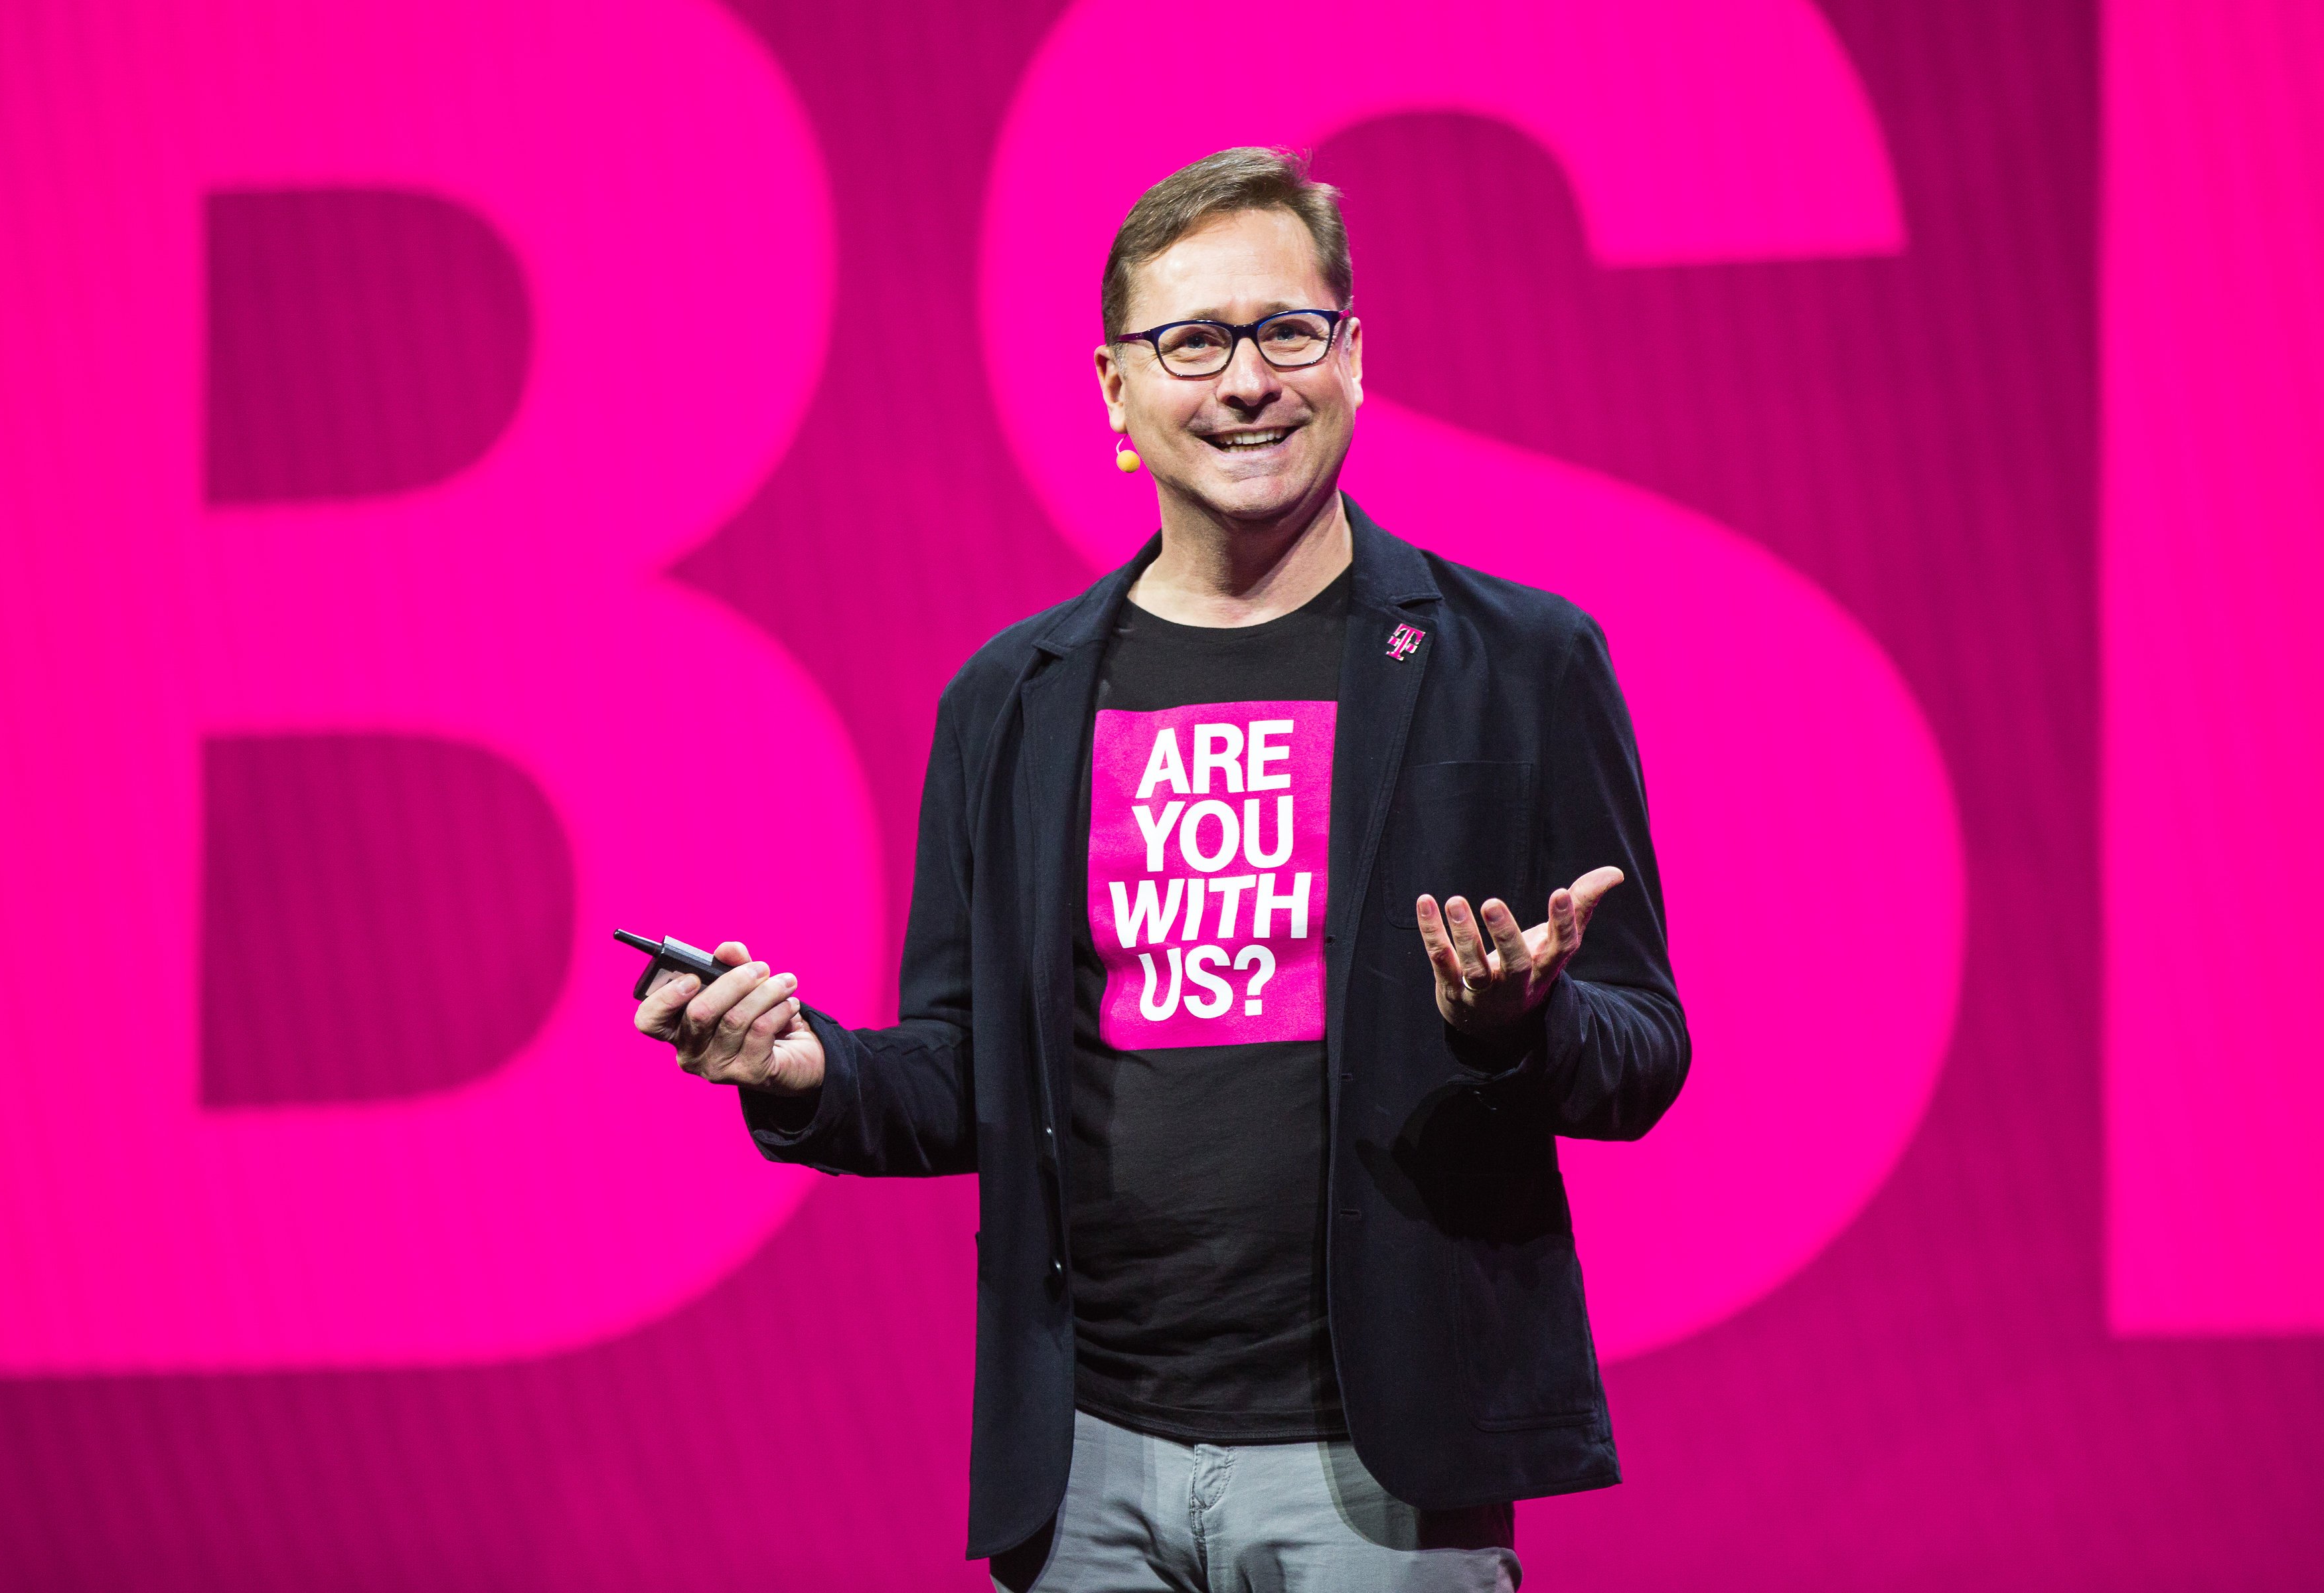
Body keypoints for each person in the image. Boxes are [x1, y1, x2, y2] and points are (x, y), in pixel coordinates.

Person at [634, 147, 1689, 1592]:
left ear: (1353, 358)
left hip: (1378, 1471)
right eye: (1190, 341)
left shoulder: (1514, 661)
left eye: (1285, 331)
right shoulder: (1012, 696)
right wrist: (801, 1070)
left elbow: (1644, 1056)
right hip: (1084, 1469)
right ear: (1118, 391)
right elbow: (964, 1074)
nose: (1245, 379)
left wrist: (1514, 1027)